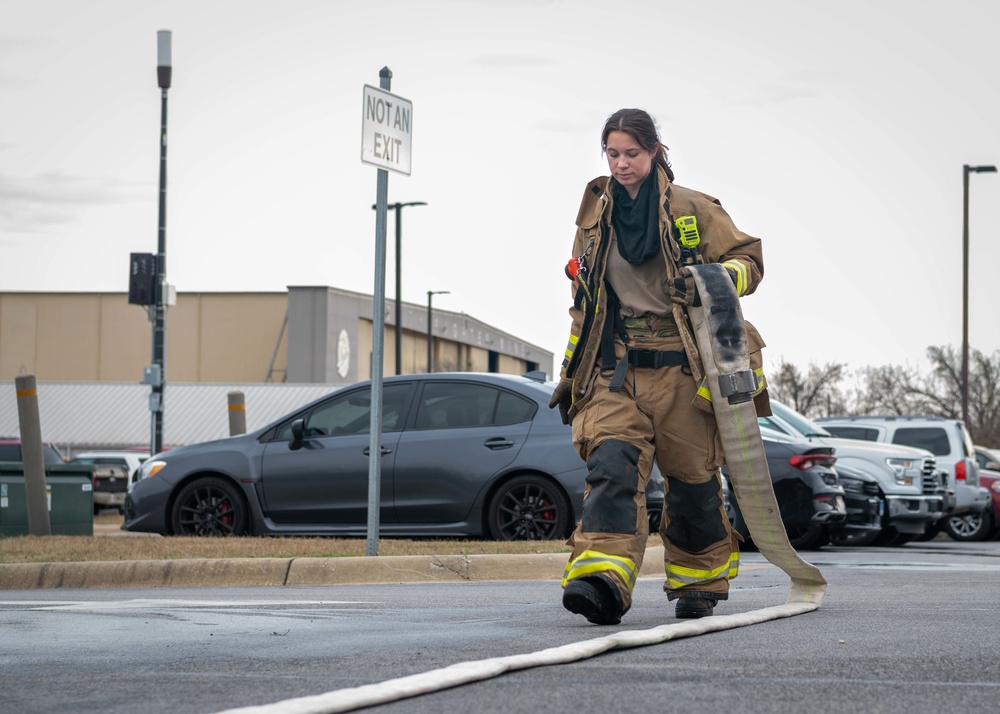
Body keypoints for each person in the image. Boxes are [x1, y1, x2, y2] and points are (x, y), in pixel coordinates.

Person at [550, 108, 770, 625]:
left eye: (631, 153)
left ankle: (699, 583)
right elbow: (585, 305)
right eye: (612, 153)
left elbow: (751, 262)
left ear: (653, 152)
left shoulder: (692, 209)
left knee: (693, 484)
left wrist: (712, 279)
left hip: (685, 369)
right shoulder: (594, 219)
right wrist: (569, 371)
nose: (621, 164)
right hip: (616, 369)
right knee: (610, 466)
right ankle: (600, 579)